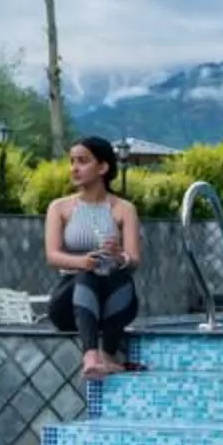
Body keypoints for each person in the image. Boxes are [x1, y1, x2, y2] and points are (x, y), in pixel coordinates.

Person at [44, 135, 144, 381]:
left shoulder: (124, 209)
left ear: (103, 167)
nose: (74, 168)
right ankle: (91, 355)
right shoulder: (59, 208)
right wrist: (83, 262)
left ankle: (107, 356)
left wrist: (118, 256)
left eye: (82, 161)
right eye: (72, 161)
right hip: (69, 304)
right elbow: (53, 255)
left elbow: (134, 260)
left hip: (112, 303)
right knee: (87, 274)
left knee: (120, 277)